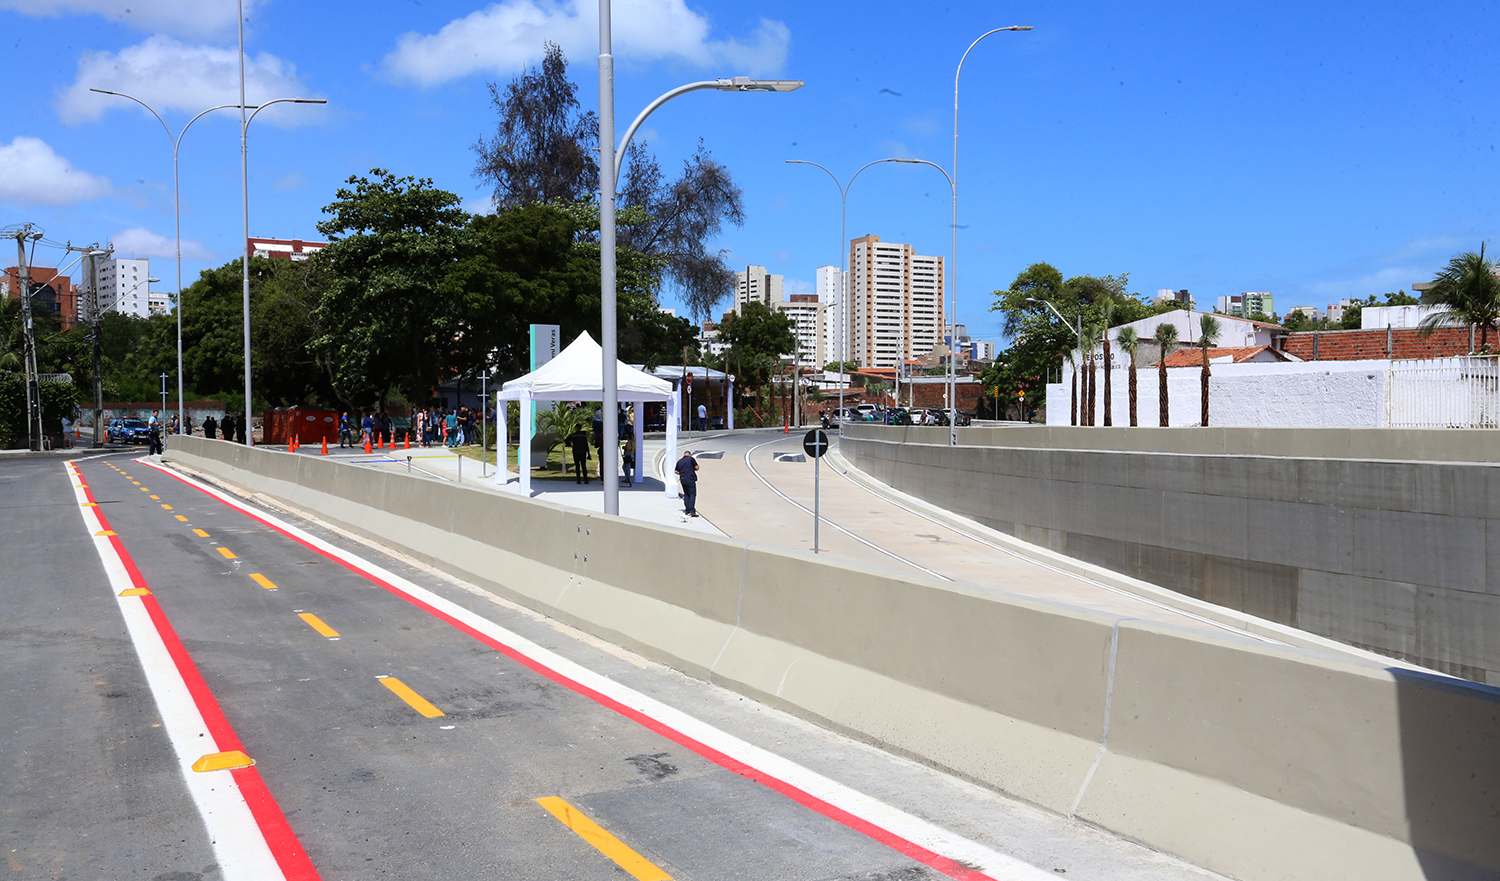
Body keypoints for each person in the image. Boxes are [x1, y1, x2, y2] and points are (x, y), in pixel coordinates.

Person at [675, 449, 700, 517]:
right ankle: (692, 510)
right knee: (692, 494)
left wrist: (682, 473)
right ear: (690, 454)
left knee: (686, 494)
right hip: (690, 478)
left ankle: (687, 510)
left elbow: (676, 471)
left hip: (683, 478)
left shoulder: (679, 461)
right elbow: (697, 467)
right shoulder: (691, 459)